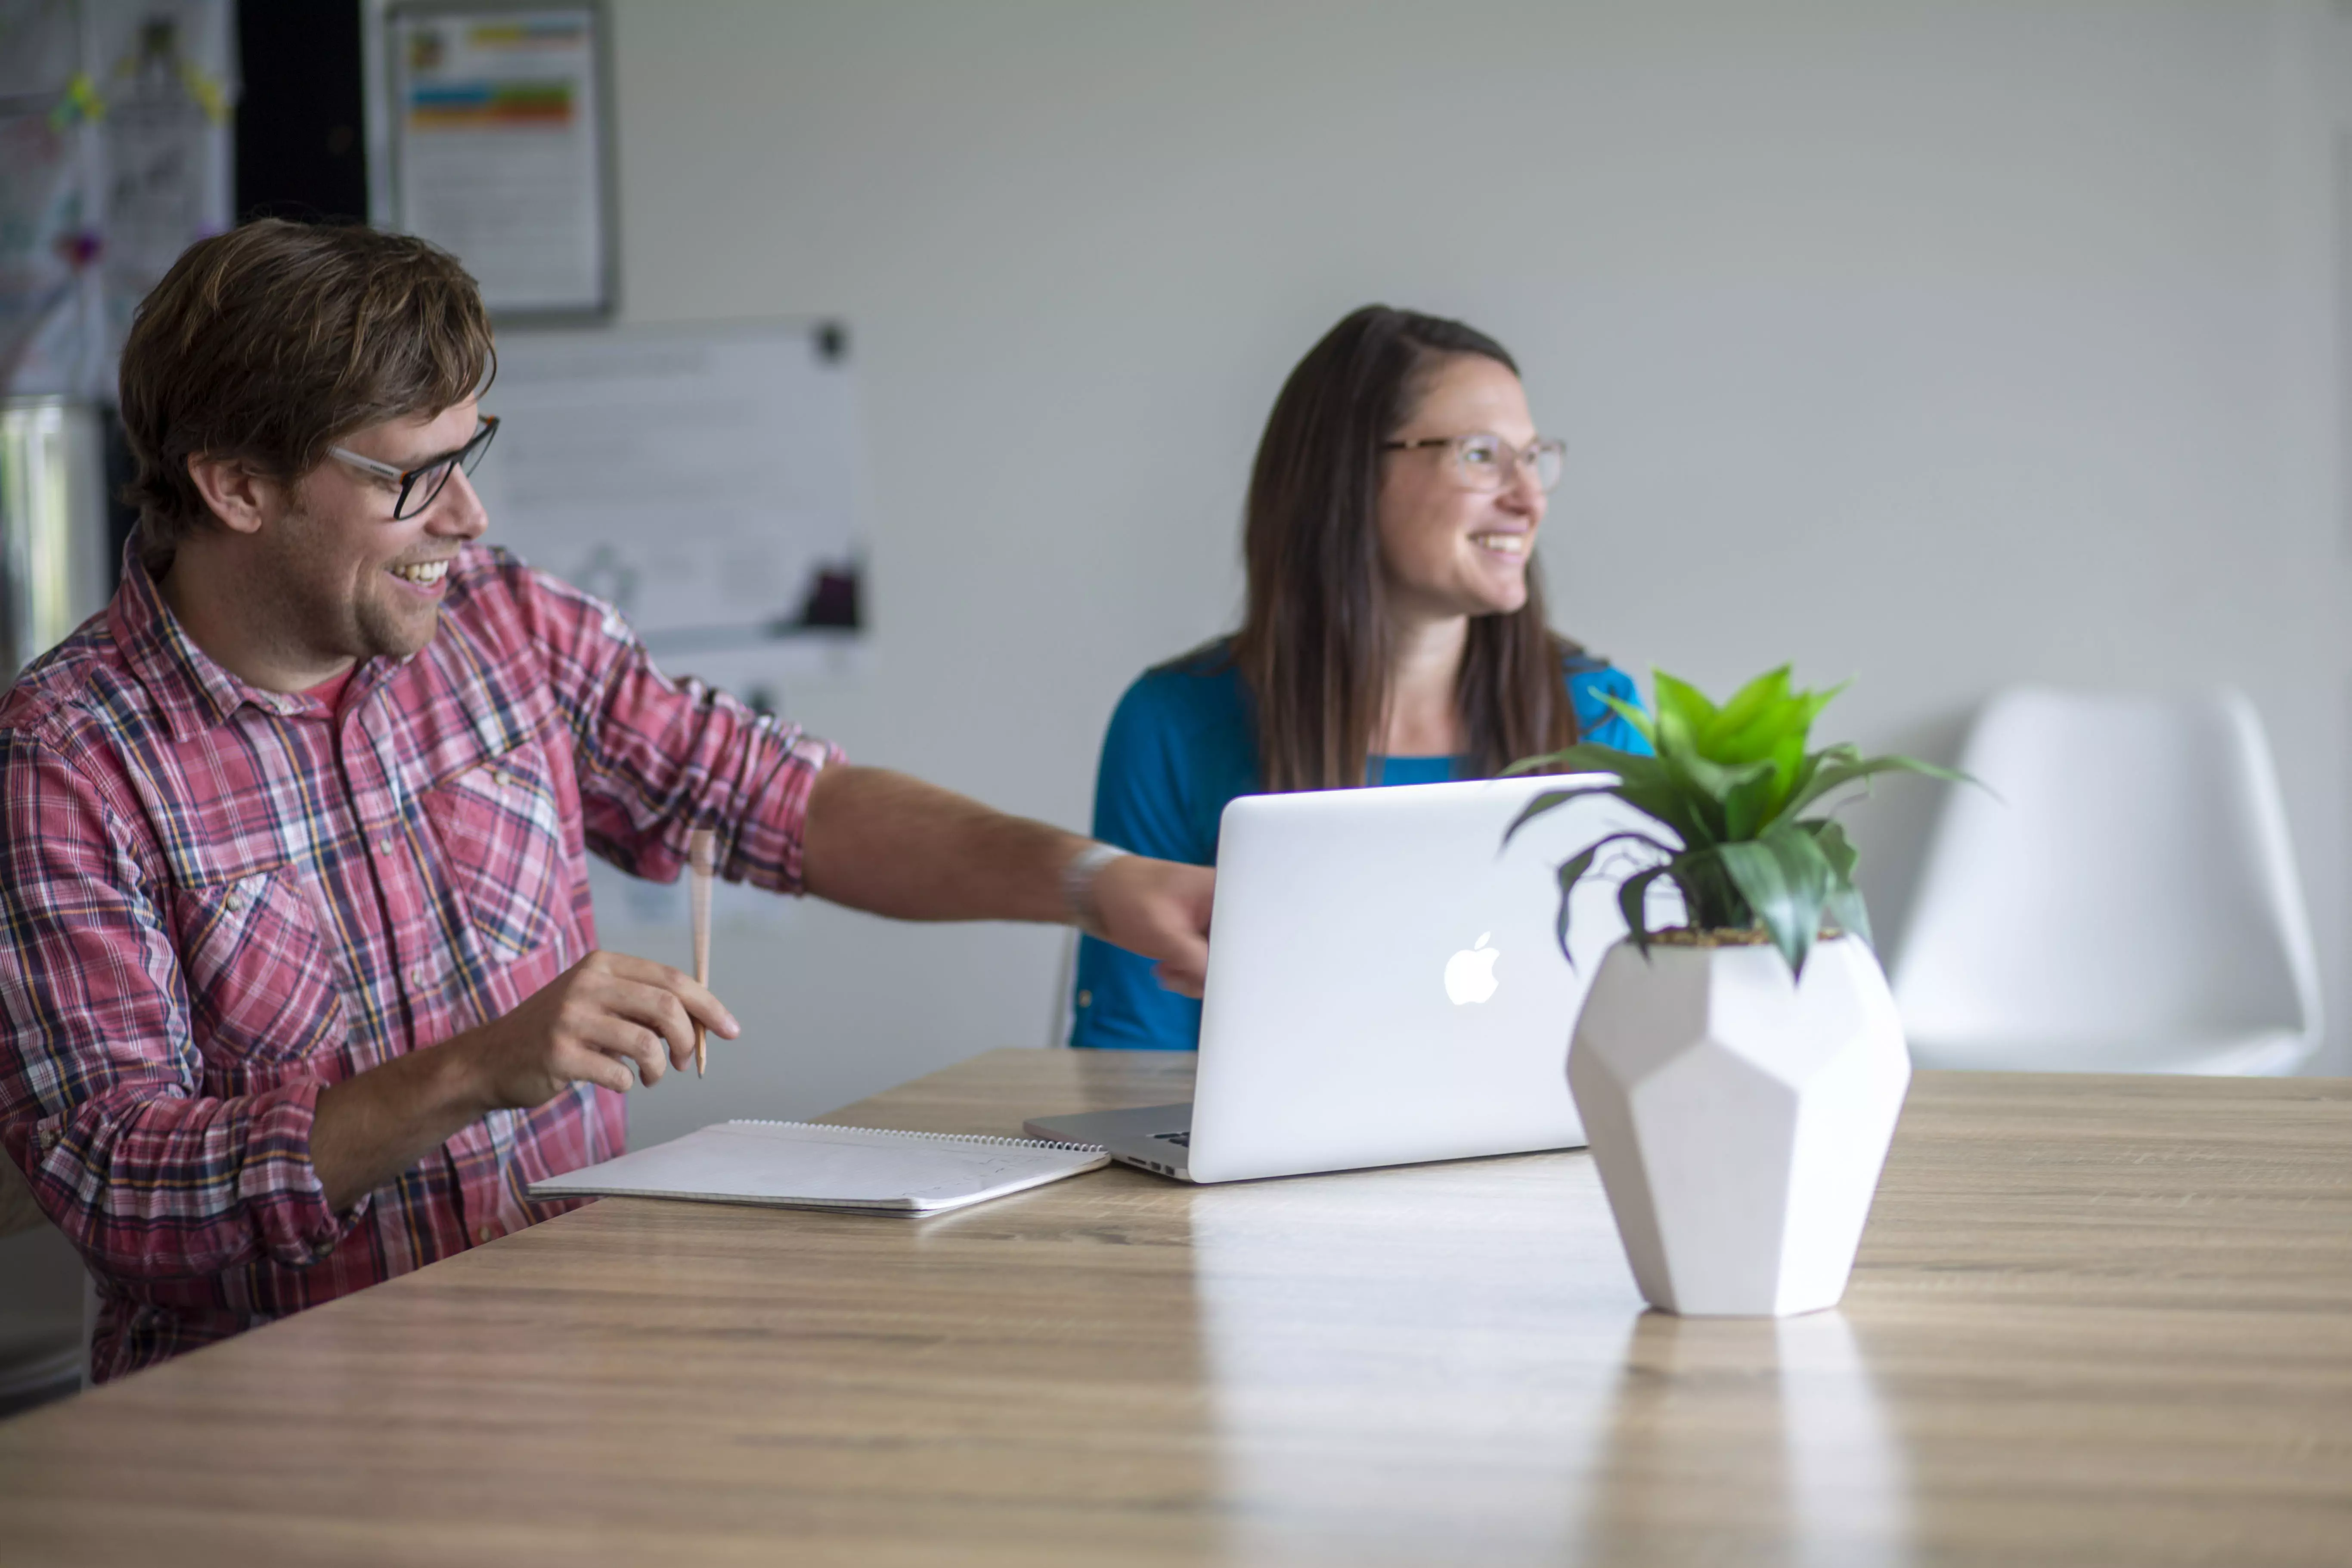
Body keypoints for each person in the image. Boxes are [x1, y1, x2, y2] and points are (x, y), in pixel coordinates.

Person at [0, 220, 1212, 1382]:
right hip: (266, 1423)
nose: (469, 519)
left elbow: (779, 799)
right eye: (418, 477)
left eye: (470, 455)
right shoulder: (64, 763)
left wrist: (1091, 882)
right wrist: (476, 1068)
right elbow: (121, 1189)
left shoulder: (504, 623)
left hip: (569, 1365)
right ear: (236, 487)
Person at [1070, 305, 1648, 1051]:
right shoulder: (1173, 724)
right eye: (1480, 455)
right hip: (1267, 1170)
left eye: (1532, 457)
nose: (1528, 499)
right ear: (1348, 475)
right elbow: (1131, 1061)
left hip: (1542, 1161)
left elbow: (1646, 1016)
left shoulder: (1600, 715)